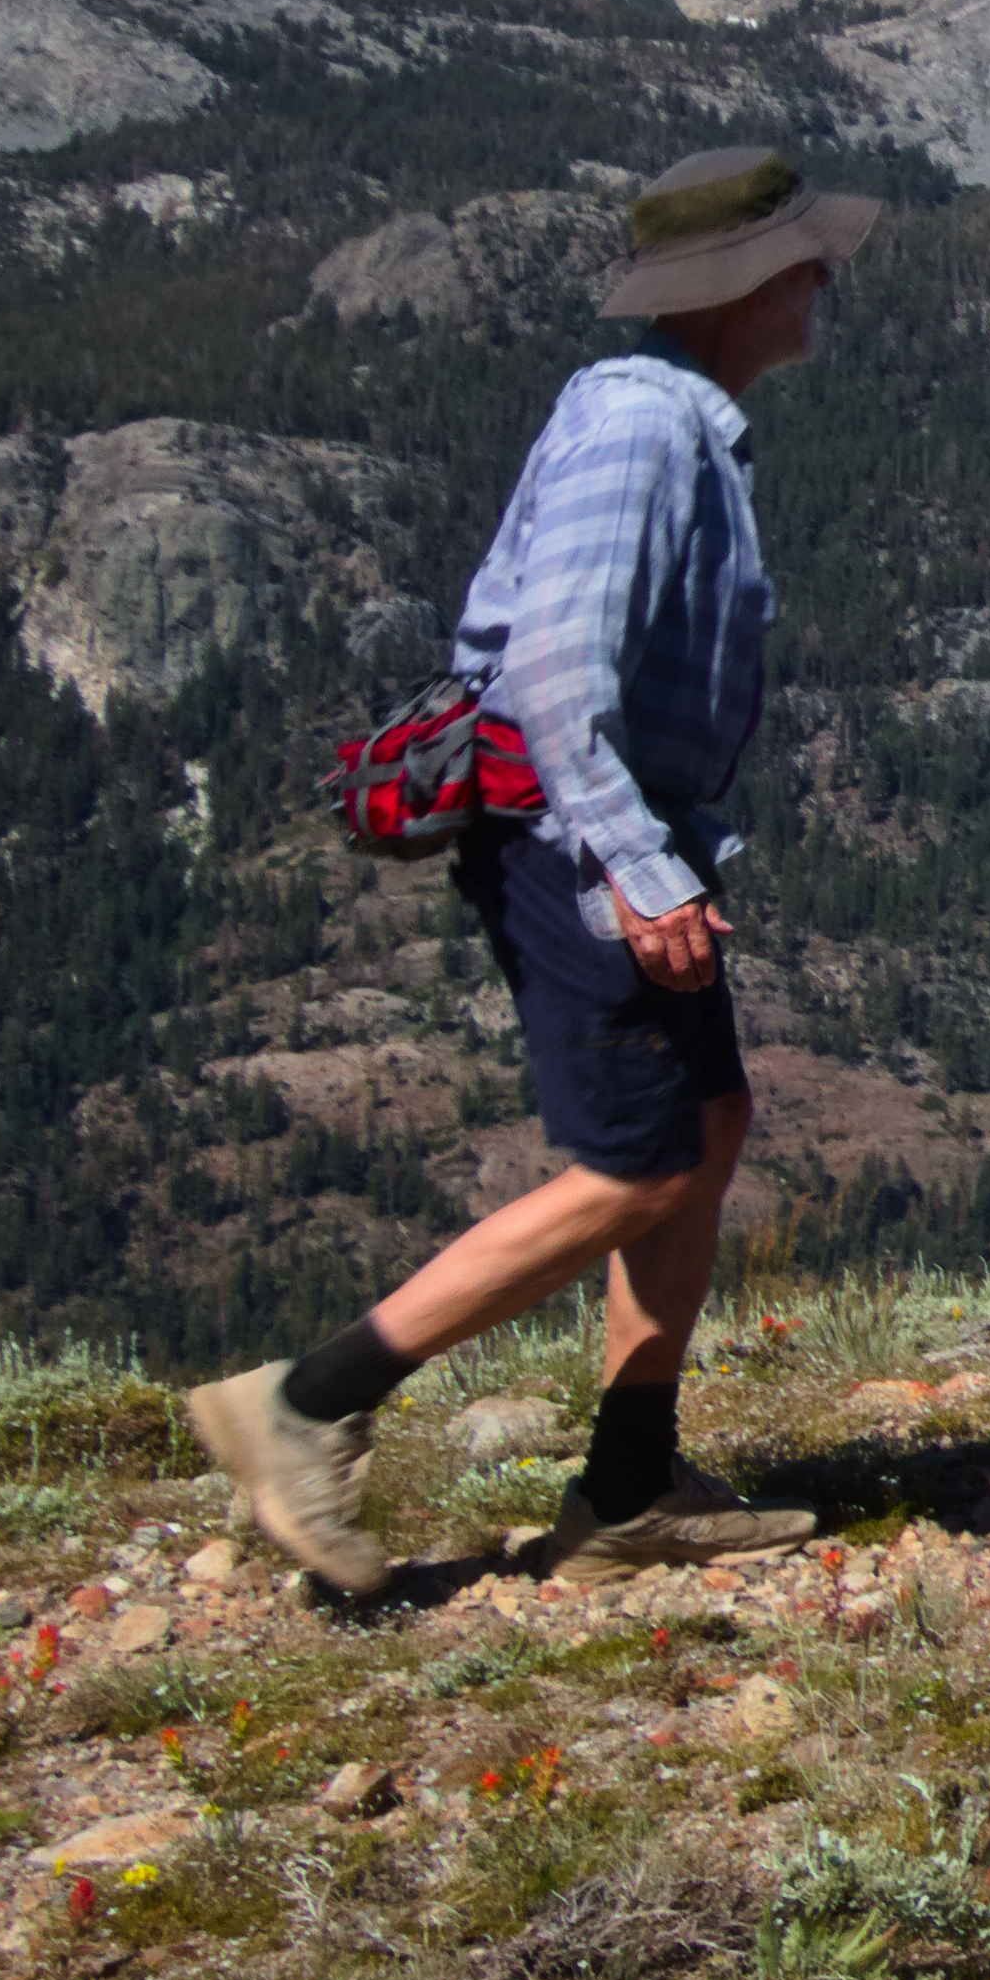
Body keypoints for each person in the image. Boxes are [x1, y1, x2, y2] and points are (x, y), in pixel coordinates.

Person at [187, 144, 878, 1593]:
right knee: (634, 1168)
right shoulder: (643, 426)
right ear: (743, 284)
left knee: (710, 1117)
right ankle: (305, 1404)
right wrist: (638, 864)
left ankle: (627, 1492)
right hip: (578, 840)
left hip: (615, 833)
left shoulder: (683, 417)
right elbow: (557, 674)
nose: (826, 275)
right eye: (806, 257)